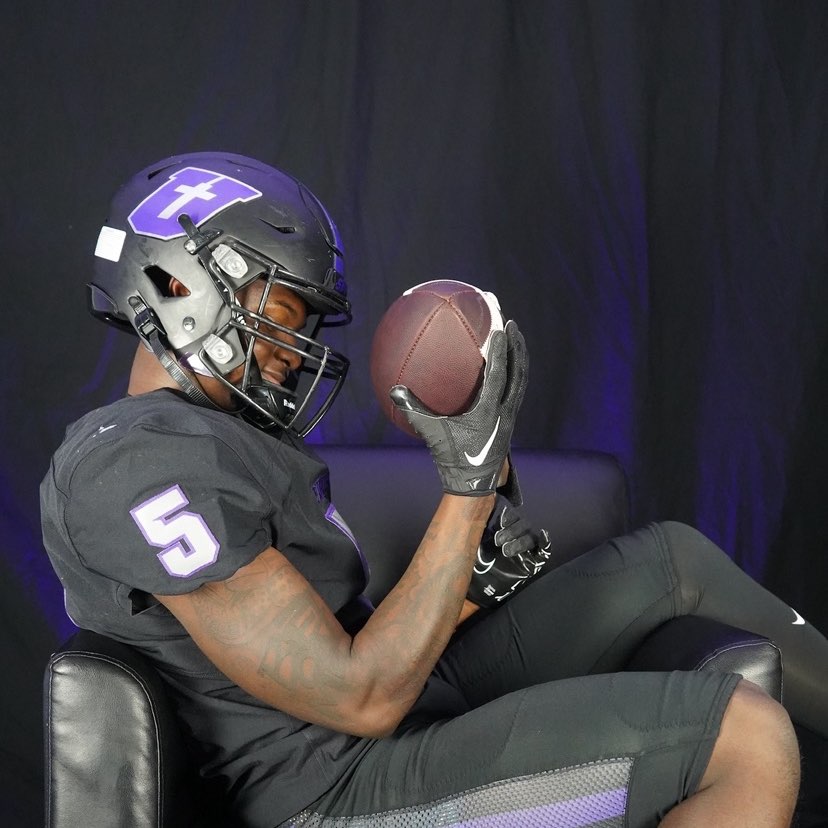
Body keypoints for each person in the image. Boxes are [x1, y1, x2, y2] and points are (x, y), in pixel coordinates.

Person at [40, 151, 827, 828]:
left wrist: (460, 589)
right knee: (747, 738)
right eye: (278, 311)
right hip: (332, 788)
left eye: (303, 325)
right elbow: (358, 697)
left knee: (671, 562)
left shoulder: (218, 435)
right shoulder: (136, 464)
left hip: (386, 723)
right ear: (176, 286)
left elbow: (346, 640)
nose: (294, 349)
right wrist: (468, 487)